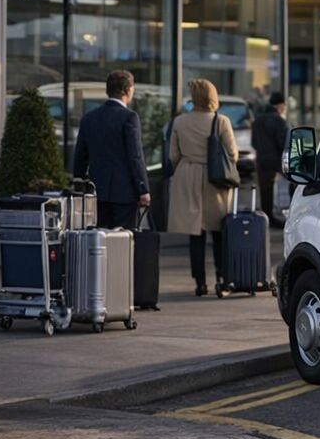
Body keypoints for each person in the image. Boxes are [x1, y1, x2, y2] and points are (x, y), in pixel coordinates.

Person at [166, 78, 237, 296]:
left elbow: (173, 155)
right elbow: (232, 153)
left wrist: (188, 165)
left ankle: (199, 283)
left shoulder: (179, 122)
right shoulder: (221, 121)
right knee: (219, 233)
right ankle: (222, 280)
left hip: (187, 176)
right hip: (215, 179)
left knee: (194, 234)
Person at [71, 70, 151, 230]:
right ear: (128, 90)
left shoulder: (89, 118)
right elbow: (135, 156)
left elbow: (80, 155)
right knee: (123, 240)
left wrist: (79, 182)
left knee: (99, 239)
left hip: (97, 191)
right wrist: (143, 189)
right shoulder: (129, 117)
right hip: (124, 193)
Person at [251, 91, 290, 225]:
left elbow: (253, 142)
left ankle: (267, 217)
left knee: (265, 189)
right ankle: (293, 210)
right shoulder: (279, 120)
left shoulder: (258, 119)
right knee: (294, 179)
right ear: (280, 105)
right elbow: (283, 141)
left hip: (262, 159)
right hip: (276, 159)